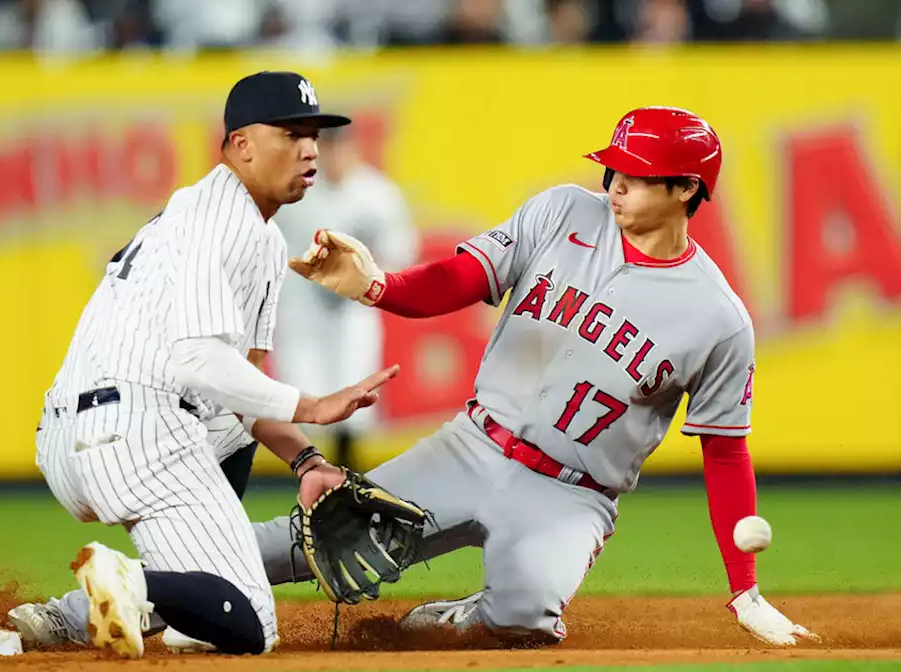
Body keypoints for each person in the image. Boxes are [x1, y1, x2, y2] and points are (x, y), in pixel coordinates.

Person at [250, 106, 819, 648]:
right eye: (613, 168)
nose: (616, 184)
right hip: (471, 449)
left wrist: (745, 589)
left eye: (638, 176)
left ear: (687, 188)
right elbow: (463, 277)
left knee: (522, 618)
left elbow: (725, 453)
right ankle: (167, 575)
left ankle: (465, 617)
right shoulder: (563, 212)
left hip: (570, 498)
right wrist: (380, 288)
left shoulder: (718, 318)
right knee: (306, 541)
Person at [7, 70, 399, 659]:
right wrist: (314, 407)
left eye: (314, 134)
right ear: (240, 144)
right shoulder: (213, 215)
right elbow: (197, 360)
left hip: (86, 432)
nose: (310, 148)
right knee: (251, 628)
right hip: (135, 430)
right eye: (291, 133)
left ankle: (85, 612)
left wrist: (307, 460)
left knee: (228, 425)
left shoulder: (258, 235)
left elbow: (242, 391)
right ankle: (130, 583)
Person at [273, 126, 417, 470]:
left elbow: (401, 252)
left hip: (352, 312)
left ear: (354, 148)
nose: (336, 155)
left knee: (355, 392)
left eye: (342, 146)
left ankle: (345, 476)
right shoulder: (296, 189)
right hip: (302, 311)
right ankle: (313, 472)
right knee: (303, 394)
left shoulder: (377, 194)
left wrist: (362, 275)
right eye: (330, 147)